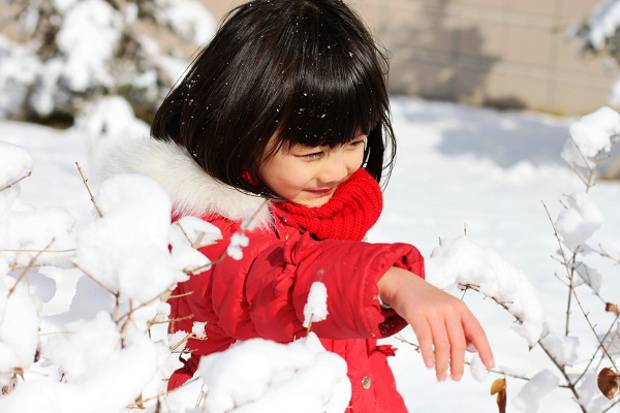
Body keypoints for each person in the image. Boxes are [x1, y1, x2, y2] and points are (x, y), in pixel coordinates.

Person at [114, 0, 495, 411]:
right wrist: (386, 280)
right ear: (241, 128)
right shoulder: (201, 232)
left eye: (353, 143)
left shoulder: (317, 213)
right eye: (312, 153)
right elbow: (273, 278)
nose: (336, 170)